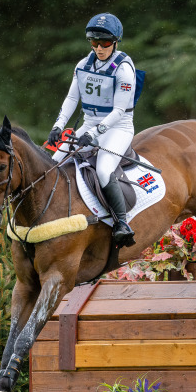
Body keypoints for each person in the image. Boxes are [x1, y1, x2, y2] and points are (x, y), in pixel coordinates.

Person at [48, 13, 138, 247]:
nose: (99, 48)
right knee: (54, 162)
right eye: (94, 42)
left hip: (118, 128)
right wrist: (58, 126)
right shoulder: (82, 66)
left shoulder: (124, 70)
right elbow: (71, 98)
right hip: (89, 124)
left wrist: (95, 133)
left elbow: (119, 111)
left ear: (115, 42)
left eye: (105, 43)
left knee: (104, 170)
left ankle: (122, 223)